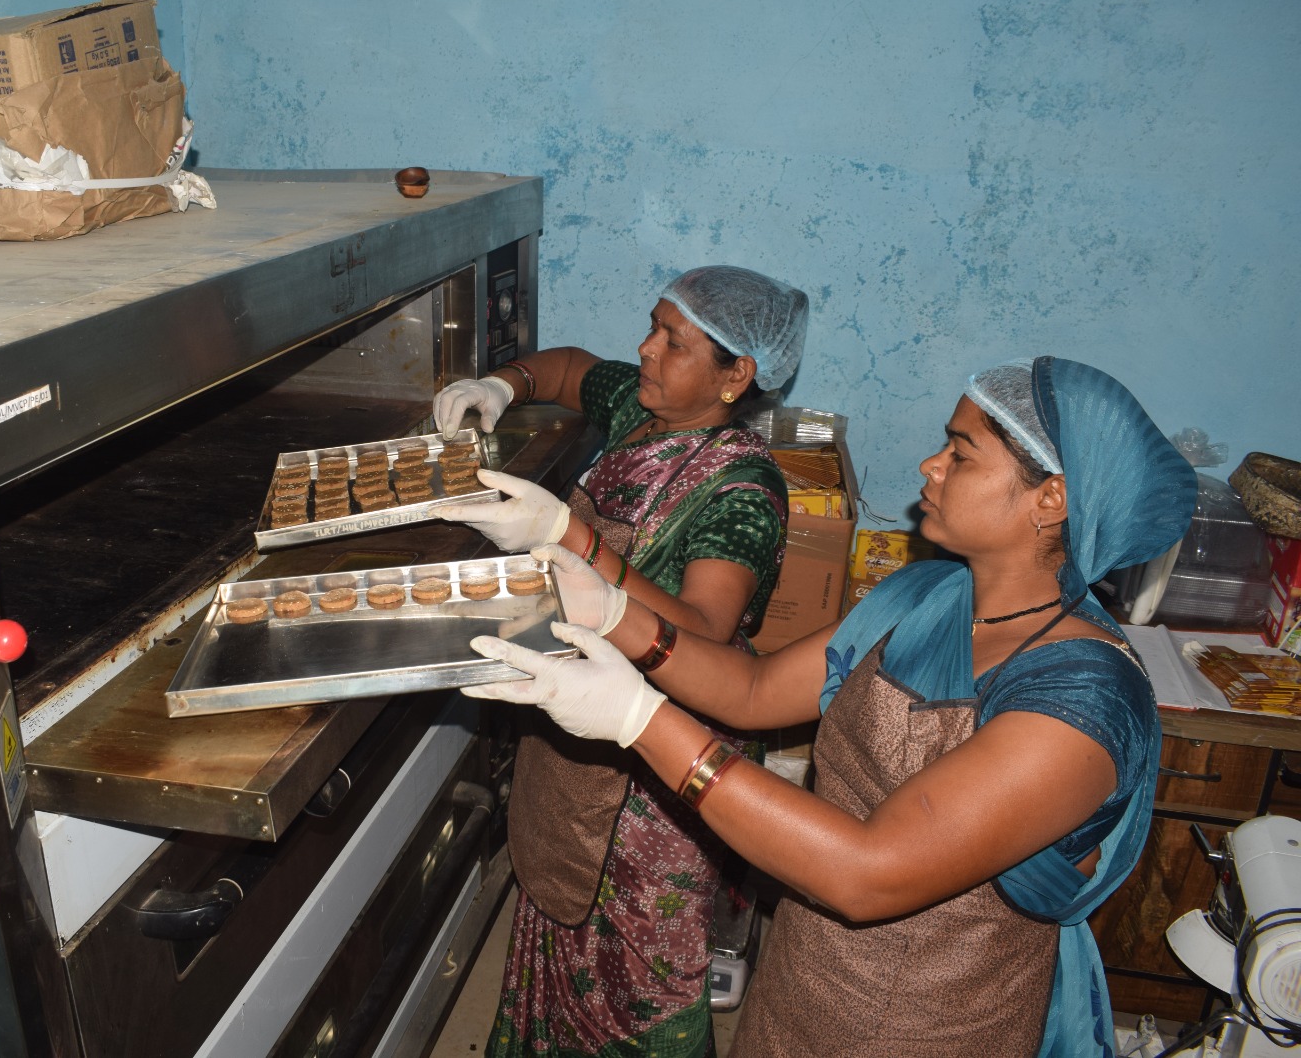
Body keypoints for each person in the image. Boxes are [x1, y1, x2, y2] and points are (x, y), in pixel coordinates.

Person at [464, 356, 1197, 1057]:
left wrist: (641, 722)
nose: (929, 467)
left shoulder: (1081, 702)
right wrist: (613, 608)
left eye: (962, 453)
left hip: (933, 1019)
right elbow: (752, 693)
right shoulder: (927, 598)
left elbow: (867, 872)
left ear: (1052, 499)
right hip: (808, 968)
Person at [430, 266, 808, 1057]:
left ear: (737, 375)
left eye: (674, 341)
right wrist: (500, 384)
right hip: (580, 736)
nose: (645, 348)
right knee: (557, 945)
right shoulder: (640, 414)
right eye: (653, 325)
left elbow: (705, 628)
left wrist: (574, 539)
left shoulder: (741, 489)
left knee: (637, 986)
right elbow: (568, 367)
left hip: (659, 772)